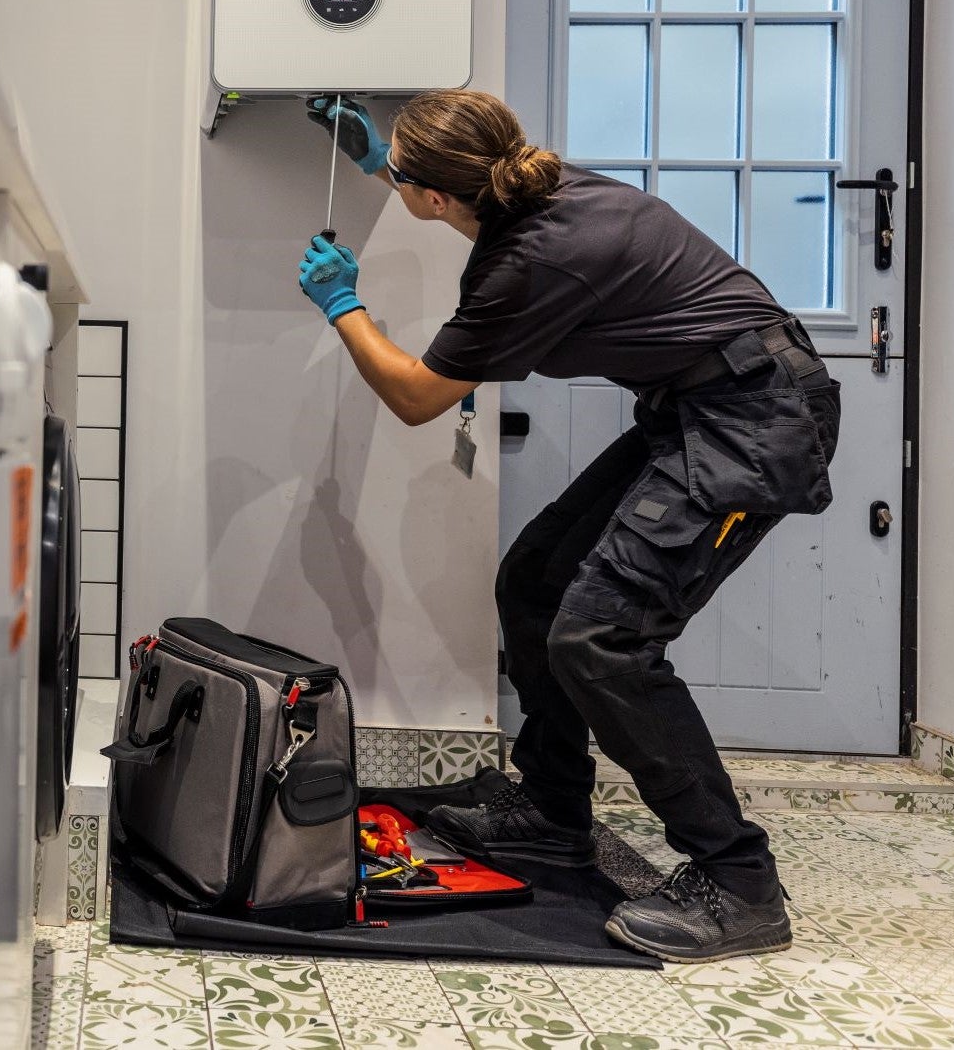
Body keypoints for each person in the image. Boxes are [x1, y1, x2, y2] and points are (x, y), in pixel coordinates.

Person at [299, 89, 841, 963]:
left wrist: (342, 306)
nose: (395, 176)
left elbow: (413, 396)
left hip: (756, 417)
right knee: (536, 582)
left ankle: (738, 881)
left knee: (600, 639)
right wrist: (378, 165)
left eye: (404, 171)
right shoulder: (540, 187)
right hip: (700, 407)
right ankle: (552, 811)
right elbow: (464, 198)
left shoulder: (527, 262)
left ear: (439, 198)